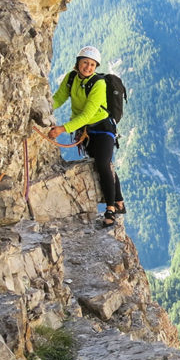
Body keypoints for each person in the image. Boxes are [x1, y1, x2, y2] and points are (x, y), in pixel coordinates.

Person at [48, 45, 126, 227]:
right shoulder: (71, 78)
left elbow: (87, 115)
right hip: (87, 131)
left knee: (102, 163)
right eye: (85, 63)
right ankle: (120, 201)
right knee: (103, 163)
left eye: (92, 64)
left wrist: (62, 129)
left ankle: (111, 208)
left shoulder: (98, 84)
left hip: (103, 127)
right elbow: (59, 98)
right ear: (78, 63)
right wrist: (45, 108)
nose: (88, 67)